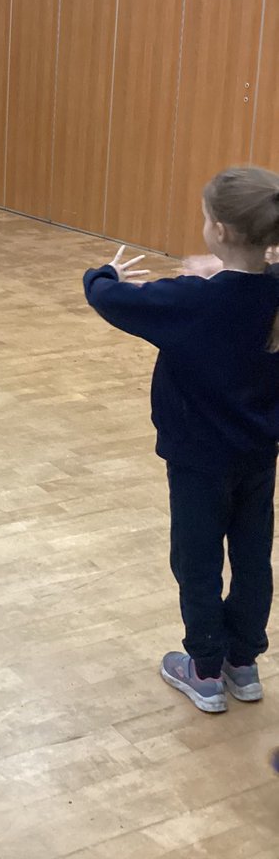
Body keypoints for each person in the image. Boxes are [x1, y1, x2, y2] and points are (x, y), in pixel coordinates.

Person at [83, 166, 279, 713]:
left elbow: (107, 298)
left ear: (219, 230)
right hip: (260, 455)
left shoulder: (190, 301)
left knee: (197, 561)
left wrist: (105, 272)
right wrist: (234, 267)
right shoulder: (271, 293)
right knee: (252, 556)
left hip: (197, 460)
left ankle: (206, 668)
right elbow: (254, 278)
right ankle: (245, 661)